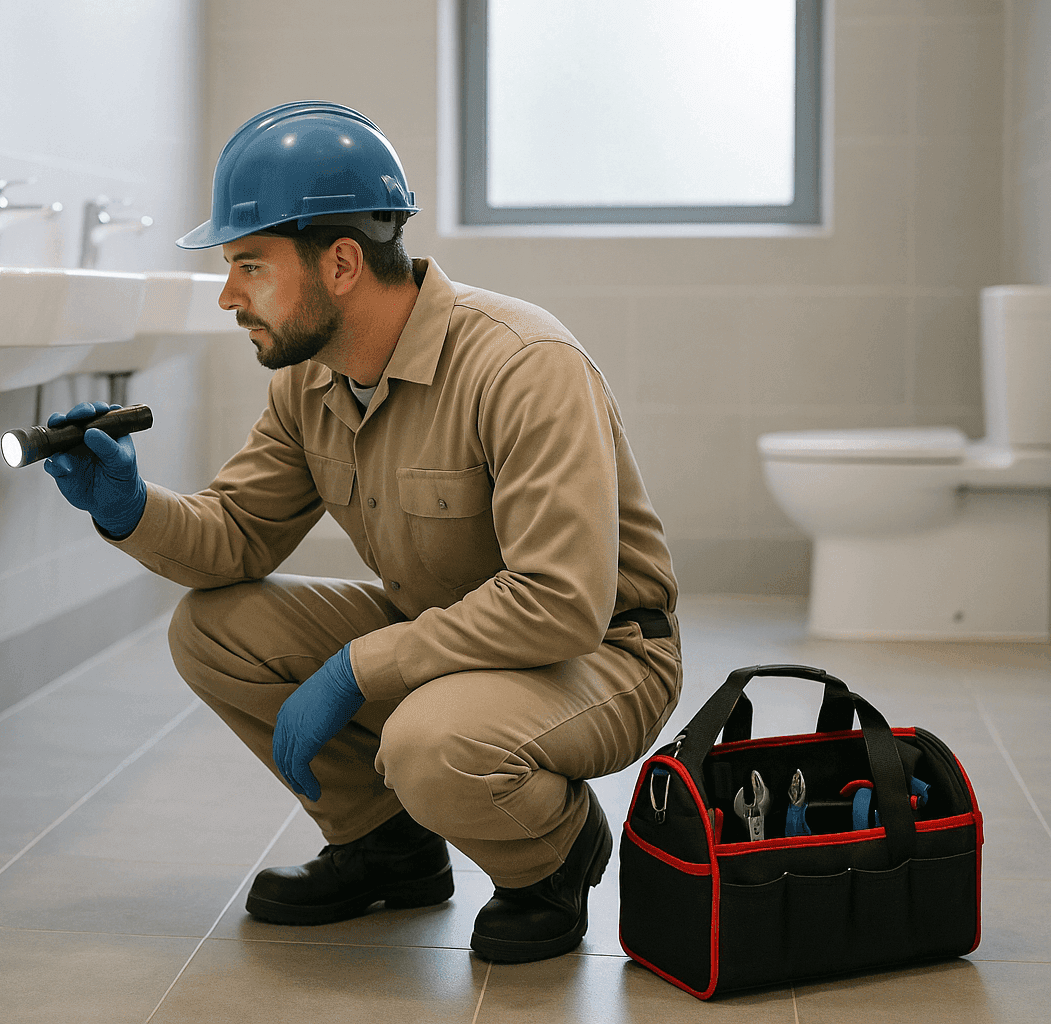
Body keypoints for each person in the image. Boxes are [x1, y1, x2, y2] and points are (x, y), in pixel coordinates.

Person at [41, 100, 681, 964]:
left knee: (432, 741)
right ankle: (390, 850)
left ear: (340, 261)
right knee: (216, 630)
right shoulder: (311, 385)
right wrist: (128, 507)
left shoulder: (523, 364)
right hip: (449, 641)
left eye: (250, 266)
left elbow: (561, 603)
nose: (230, 296)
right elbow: (236, 536)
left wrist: (356, 669)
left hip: (598, 652)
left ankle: (552, 855)